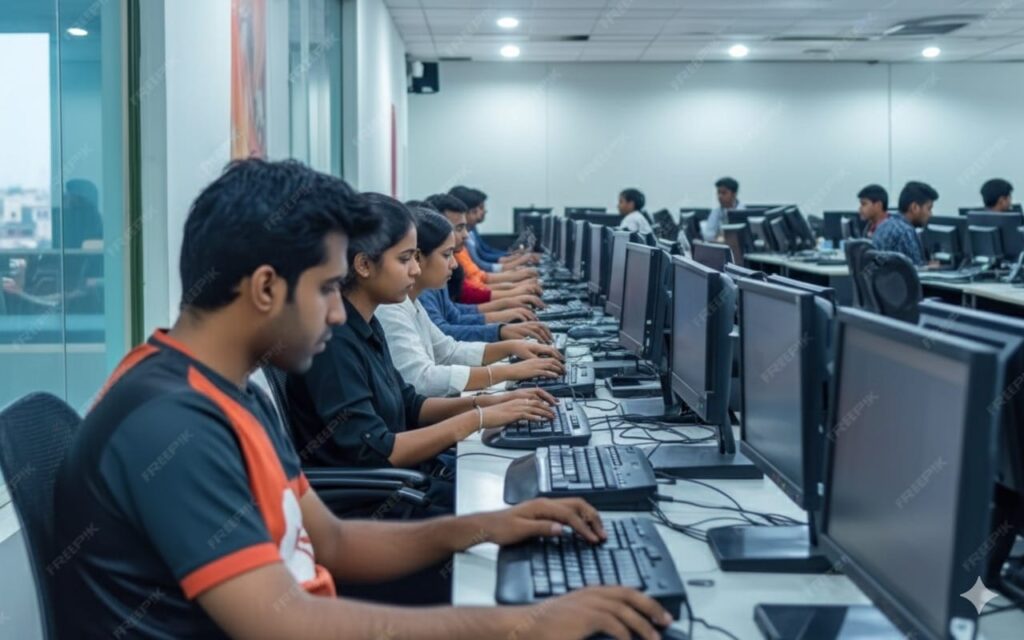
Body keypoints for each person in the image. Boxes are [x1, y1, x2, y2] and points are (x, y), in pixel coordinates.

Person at [52, 159, 672, 639]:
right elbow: (287, 624)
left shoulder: (232, 390)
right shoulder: (168, 425)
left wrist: (487, 525)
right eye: (326, 288)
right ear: (266, 287)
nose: (335, 312)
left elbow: (335, 542)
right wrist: (523, 625)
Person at [375, 200, 565, 397]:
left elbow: (448, 350)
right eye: (447, 254)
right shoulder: (390, 308)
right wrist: (505, 372)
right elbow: (422, 380)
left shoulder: (409, 301)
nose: (455, 264)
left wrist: (510, 346)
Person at [419, 196, 552, 344]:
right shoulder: (425, 282)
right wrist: (505, 312)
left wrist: (505, 313)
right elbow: (466, 295)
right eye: (458, 228)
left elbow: (454, 316)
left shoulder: (436, 272)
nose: (466, 235)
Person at [450, 186, 538, 269]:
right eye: (476, 210)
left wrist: (511, 257)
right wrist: (513, 261)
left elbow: (484, 253)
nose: (483, 211)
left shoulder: (471, 230)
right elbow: (479, 264)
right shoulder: (459, 239)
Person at [873, 181, 938, 267]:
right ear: (914, 207)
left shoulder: (884, 225)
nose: (930, 214)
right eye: (929, 208)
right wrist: (930, 268)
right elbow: (915, 273)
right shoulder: (905, 232)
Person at [703, 176, 743, 241]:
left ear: (734, 194)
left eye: (724, 193)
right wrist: (720, 237)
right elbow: (708, 236)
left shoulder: (742, 211)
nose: (720, 196)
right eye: (718, 193)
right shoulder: (716, 212)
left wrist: (720, 236)